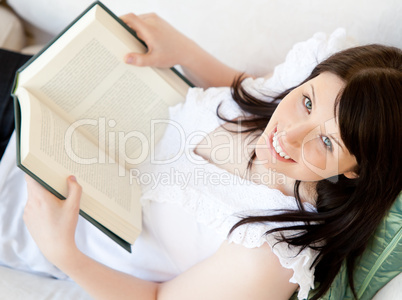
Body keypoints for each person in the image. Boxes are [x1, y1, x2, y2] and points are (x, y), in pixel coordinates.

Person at [1, 13, 401, 300]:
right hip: (48, 101)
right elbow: (248, 94)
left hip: (23, 201)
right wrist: (185, 51)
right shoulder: (298, 88)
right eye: (307, 102)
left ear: (357, 171)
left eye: (327, 143)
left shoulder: (271, 252)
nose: (289, 136)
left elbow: (159, 298)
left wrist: (63, 254)